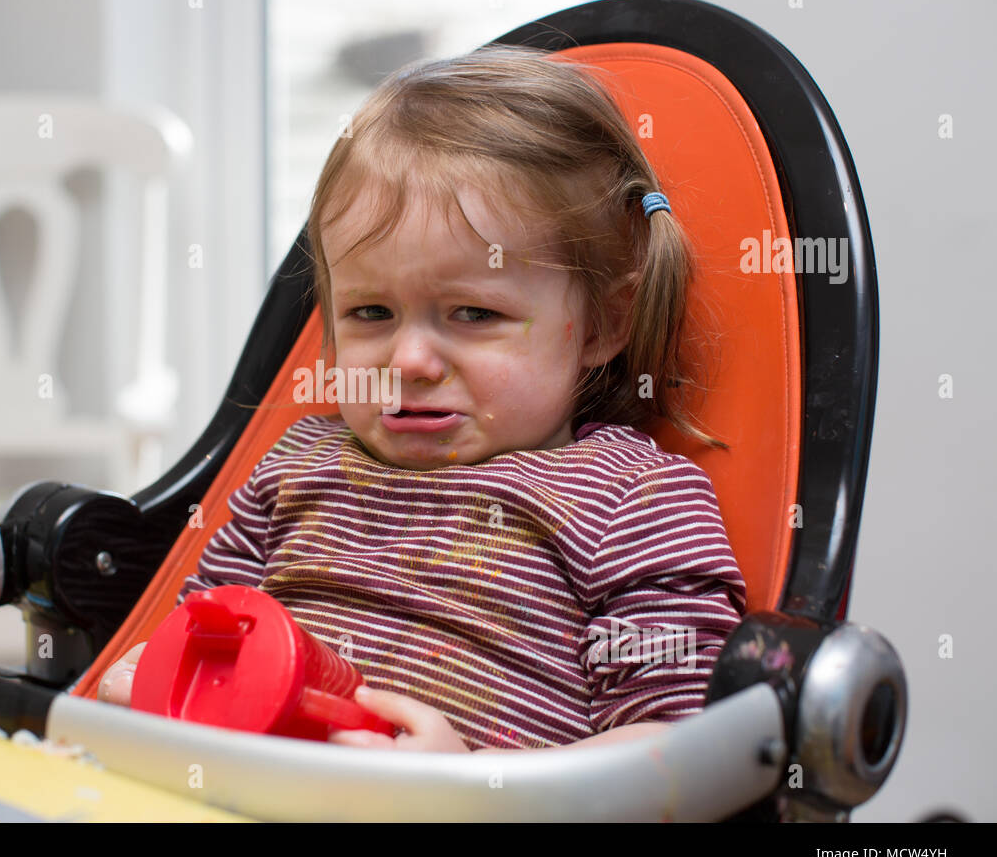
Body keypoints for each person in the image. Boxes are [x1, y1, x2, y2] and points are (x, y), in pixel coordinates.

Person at [100, 44, 746, 753]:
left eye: (473, 314)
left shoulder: (631, 500)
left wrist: (470, 788)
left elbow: (679, 754)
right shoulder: (296, 467)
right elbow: (202, 636)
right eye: (371, 313)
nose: (407, 361)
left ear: (603, 323)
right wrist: (145, 686)